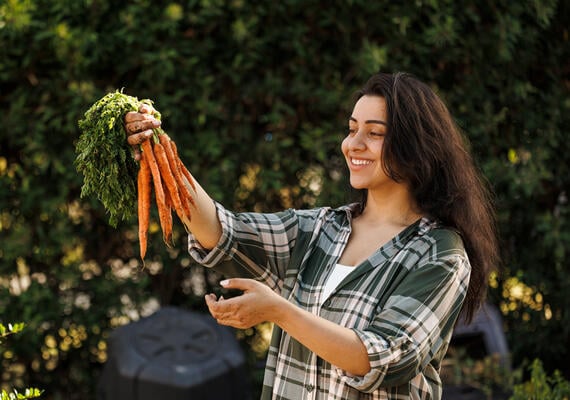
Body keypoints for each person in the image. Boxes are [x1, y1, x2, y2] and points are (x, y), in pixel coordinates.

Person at [124, 71, 499, 399]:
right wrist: (160, 152)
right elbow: (225, 232)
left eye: (374, 133)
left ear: (416, 147)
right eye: (352, 129)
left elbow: (381, 357)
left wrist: (279, 311)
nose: (353, 144)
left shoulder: (439, 255)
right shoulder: (320, 229)